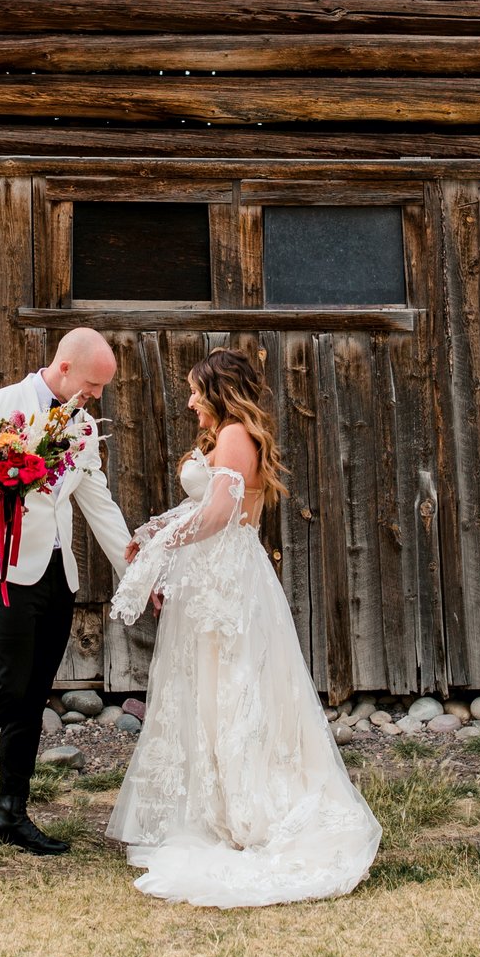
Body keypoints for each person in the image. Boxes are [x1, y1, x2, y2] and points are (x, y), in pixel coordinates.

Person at [105, 347, 383, 907]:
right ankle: (219, 803)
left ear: (217, 391)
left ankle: (248, 808)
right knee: (210, 691)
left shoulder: (235, 434)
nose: (187, 400)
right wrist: (157, 527)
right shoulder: (226, 437)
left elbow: (219, 514)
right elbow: (202, 506)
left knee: (231, 690)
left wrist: (163, 545)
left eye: (193, 390)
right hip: (214, 576)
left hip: (226, 581)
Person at [0, 326, 132, 863]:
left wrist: (137, 570)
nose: (92, 400)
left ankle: (10, 813)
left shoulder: (82, 428)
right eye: (89, 387)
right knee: (4, 689)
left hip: (56, 575)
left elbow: (98, 502)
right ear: (64, 368)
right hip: (3, 569)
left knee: (34, 693)